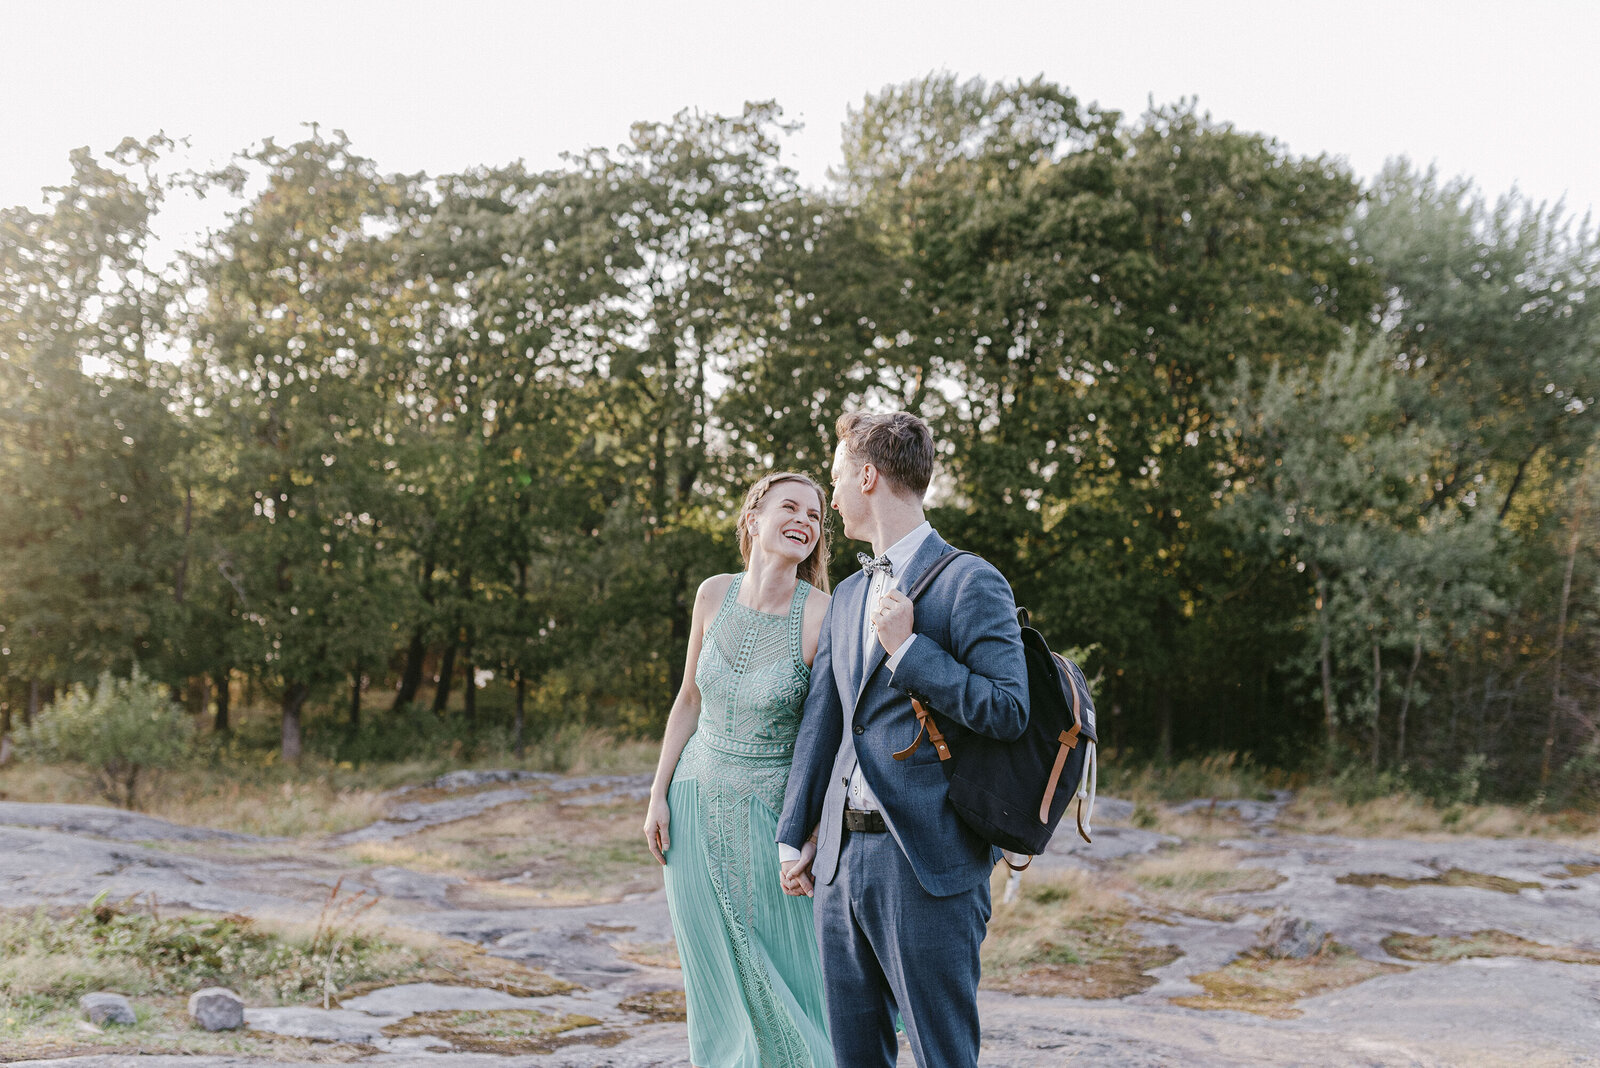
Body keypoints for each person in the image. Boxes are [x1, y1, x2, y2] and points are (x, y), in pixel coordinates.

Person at [776, 411, 1029, 1068]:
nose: (830, 499)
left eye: (836, 479)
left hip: (928, 865)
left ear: (867, 475)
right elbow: (824, 721)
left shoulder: (973, 581)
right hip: (838, 866)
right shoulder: (850, 591)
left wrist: (910, 650)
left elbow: (1009, 710)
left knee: (943, 1057)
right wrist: (795, 833)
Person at [643, 471, 836, 1068]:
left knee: (794, 974)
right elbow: (688, 702)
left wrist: (806, 832)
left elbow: (824, 737)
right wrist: (656, 795)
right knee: (714, 985)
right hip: (692, 807)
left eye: (817, 515)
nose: (805, 520)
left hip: (770, 820)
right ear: (753, 515)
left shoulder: (823, 614)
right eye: (791, 507)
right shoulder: (711, 593)